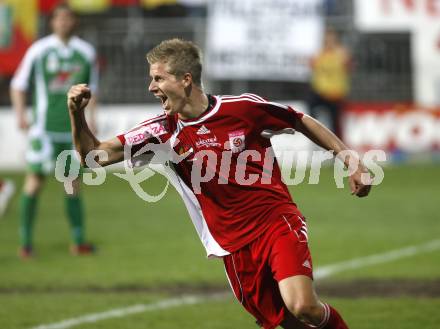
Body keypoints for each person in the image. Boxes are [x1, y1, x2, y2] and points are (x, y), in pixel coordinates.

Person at [67, 39, 371, 329]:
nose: (151, 87)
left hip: (275, 221)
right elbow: (93, 157)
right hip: (232, 245)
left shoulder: (242, 109)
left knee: (303, 305)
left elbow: (299, 120)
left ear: (186, 79)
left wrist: (351, 161)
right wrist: (77, 114)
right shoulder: (161, 132)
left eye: (158, 79)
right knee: (287, 322)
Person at [10, 4, 98, 258]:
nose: (64, 22)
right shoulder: (39, 50)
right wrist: (20, 115)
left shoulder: (85, 52)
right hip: (43, 129)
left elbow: (93, 90)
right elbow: (18, 84)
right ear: (52, 22)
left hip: (72, 130)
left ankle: (78, 241)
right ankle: (26, 243)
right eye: (59, 18)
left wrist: (91, 120)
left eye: (68, 18)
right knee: (35, 182)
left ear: (75, 22)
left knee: (72, 183)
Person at [308, 27, 351, 138]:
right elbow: (312, 65)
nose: (329, 42)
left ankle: (337, 146)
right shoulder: (320, 53)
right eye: (327, 39)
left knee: (335, 123)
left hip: (335, 93)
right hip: (320, 91)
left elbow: (348, 66)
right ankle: (314, 134)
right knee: (310, 109)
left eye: (331, 39)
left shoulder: (341, 53)